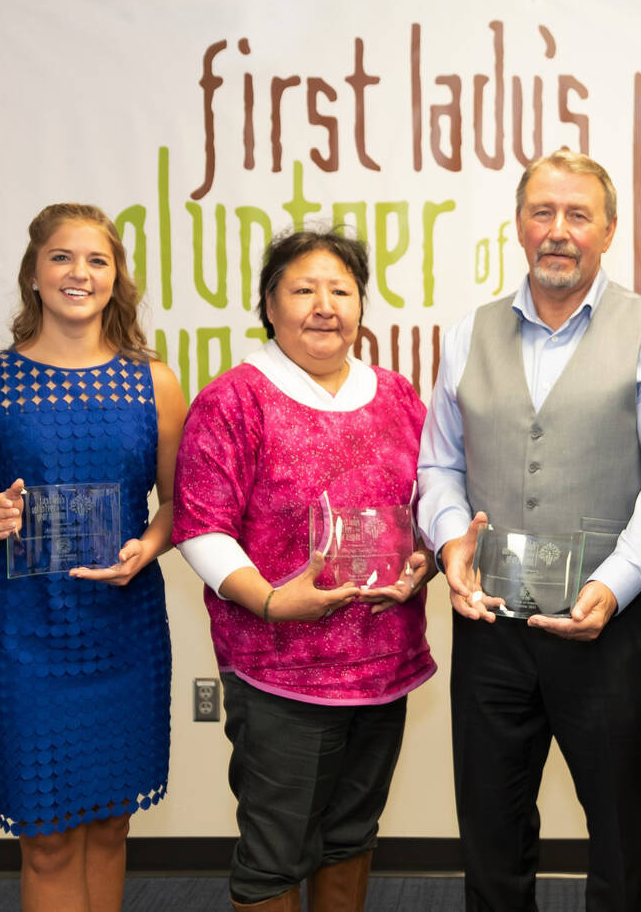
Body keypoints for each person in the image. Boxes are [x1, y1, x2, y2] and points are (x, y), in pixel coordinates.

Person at [417, 148, 641, 911]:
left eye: (578, 214)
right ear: (518, 224)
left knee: (619, 835)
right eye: (542, 212)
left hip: (615, 626)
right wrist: (452, 545)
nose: (558, 230)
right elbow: (438, 467)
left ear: (608, 230)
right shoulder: (465, 333)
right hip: (490, 627)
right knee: (490, 829)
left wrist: (611, 587)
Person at [172, 228, 436, 912]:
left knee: (352, 835)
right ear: (268, 302)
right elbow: (201, 524)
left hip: (384, 663)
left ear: (361, 305)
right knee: (275, 852)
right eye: (303, 289)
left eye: (341, 290)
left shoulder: (398, 395)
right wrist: (269, 600)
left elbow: (427, 502)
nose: (325, 305)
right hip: (280, 666)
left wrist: (425, 560)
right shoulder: (235, 399)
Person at [0, 203, 185, 911]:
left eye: (97, 260)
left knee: (109, 821)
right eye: (63, 258)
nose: (80, 272)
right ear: (35, 274)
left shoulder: (155, 382)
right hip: (24, 633)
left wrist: (149, 546)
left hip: (125, 626)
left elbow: (177, 503)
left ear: (116, 279)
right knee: (45, 833)